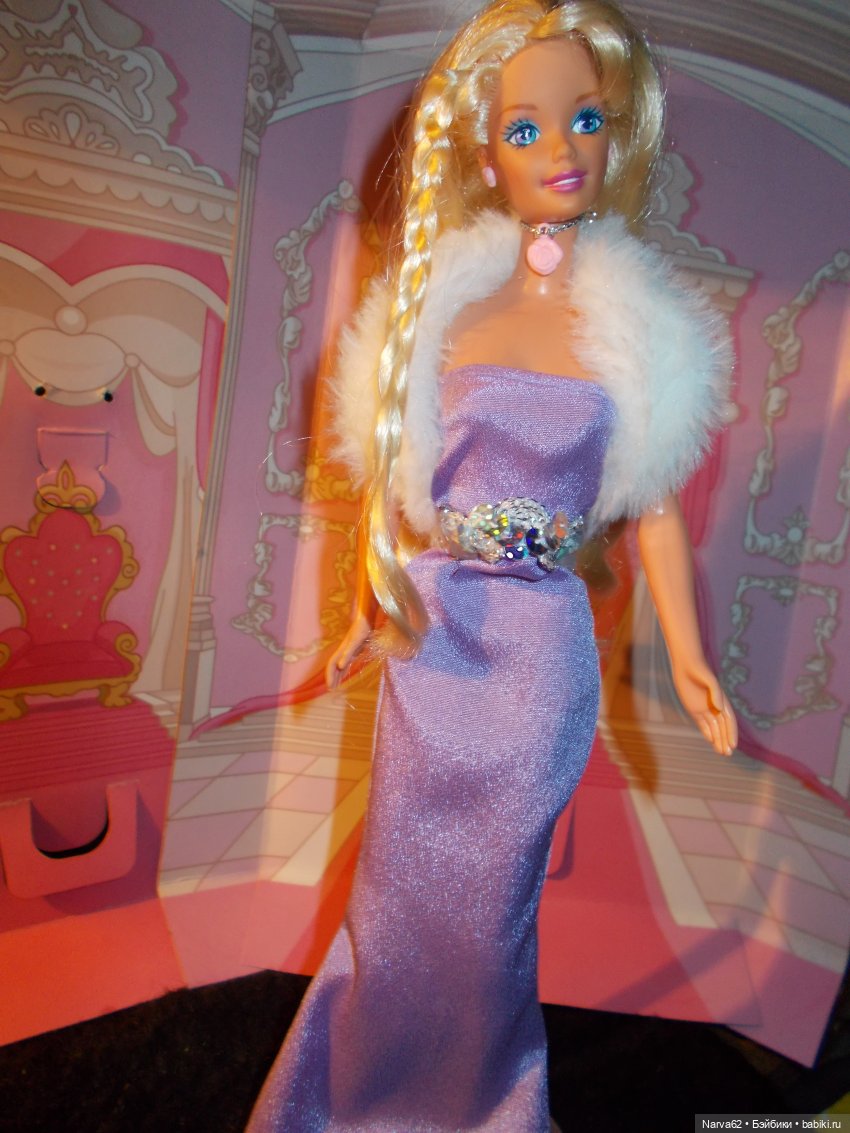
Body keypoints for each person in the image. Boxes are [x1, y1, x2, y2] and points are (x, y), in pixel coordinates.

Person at [247, 1, 737, 1129]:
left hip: (539, 659)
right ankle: (351, 1093)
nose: (560, 149)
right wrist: (369, 605)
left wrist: (688, 654)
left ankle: (480, 1104)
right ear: (483, 153)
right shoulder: (440, 306)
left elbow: (655, 507)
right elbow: (394, 478)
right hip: (437, 633)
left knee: (488, 908)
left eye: (584, 120)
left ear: (616, 133)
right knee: (396, 890)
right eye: (526, 129)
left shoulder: (636, 330)